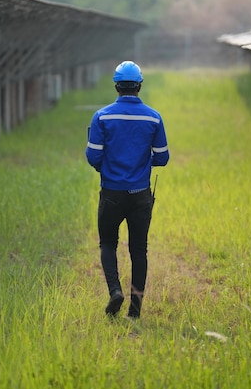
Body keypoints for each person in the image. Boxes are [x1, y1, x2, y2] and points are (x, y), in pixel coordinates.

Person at [85, 60, 169, 319]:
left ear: (116, 86)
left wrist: (108, 167)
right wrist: (141, 163)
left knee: (108, 243)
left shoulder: (102, 116)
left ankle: (114, 291)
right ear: (139, 86)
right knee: (138, 250)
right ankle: (135, 311)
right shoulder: (153, 118)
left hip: (111, 193)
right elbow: (162, 157)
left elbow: (93, 156)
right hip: (140, 195)